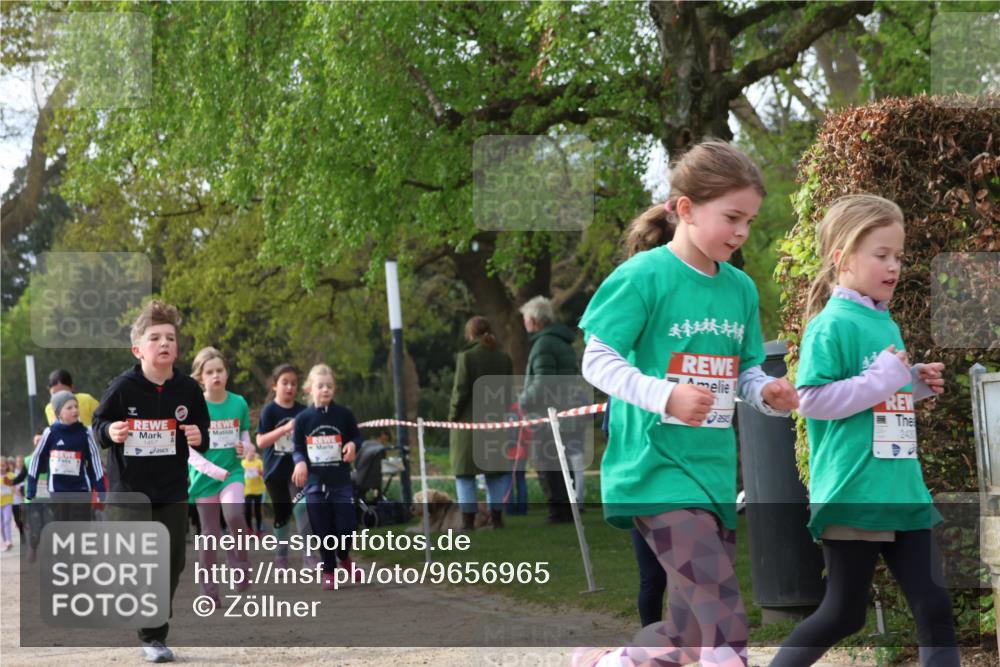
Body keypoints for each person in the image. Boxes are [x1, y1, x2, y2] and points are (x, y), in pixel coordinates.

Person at [574, 139, 799, 667]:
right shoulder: (643, 276)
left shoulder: (740, 289)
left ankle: (612, 662)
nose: (742, 233)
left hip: (713, 474)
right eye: (732, 218)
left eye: (750, 221)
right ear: (685, 208)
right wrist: (665, 396)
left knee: (692, 626)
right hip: (654, 470)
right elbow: (596, 361)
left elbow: (742, 372)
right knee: (724, 620)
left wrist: (766, 393)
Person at [769, 194, 958, 666]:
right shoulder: (830, 325)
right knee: (843, 614)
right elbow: (812, 401)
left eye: (898, 256)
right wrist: (885, 379)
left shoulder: (884, 322)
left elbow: (874, 398)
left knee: (935, 606)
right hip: (855, 489)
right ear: (843, 259)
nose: (894, 265)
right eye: (881, 255)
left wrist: (913, 385)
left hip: (901, 489)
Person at [92, 300, 211, 663]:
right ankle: (152, 636)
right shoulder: (123, 388)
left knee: (171, 564)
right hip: (129, 492)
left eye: (170, 338)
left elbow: (202, 430)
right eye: (155, 338)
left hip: (173, 490)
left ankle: (154, 634)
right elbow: (97, 426)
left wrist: (196, 435)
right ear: (137, 349)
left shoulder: (188, 390)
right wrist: (110, 431)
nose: (164, 344)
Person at [188, 346, 254, 601]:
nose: (216, 375)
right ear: (201, 377)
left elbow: (246, 437)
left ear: (226, 374)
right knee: (210, 534)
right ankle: (209, 592)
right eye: (210, 372)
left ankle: (240, 566)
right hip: (205, 477)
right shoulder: (195, 408)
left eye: (220, 370)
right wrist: (213, 471)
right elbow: (189, 452)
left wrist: (245, 447)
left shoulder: (238, 403)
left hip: (232, 473)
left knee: (235, 514)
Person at [290, 364, 361, 589]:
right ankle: (329, 570)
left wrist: (352, 444)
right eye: (320, 386)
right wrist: (300, 462)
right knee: (323, 529)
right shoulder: (303, 419)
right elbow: (297, 447)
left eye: (329, 386)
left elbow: (357, 437)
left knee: (347, 526)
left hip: (340, 482)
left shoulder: (344, 415)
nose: (325, 390)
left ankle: (344, 557)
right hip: (314, 485)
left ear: (335, 389)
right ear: (310, 388)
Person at [519, 295, 586, 524]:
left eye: (526, 319)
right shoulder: (561, 343)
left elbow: (542, 382)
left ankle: (557, 512)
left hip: (546, 414)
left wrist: (523, 400)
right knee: (562, 462)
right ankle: (568, 510)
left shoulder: (543, 344)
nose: (524, 323)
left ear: (535, 320)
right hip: (565, 411)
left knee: (546, 463)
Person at [448, 316, 515, 530]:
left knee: (465, 474)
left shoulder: (466, 357)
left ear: (470, 334)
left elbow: (461, 392)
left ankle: (468, 522)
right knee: (495, 474)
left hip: (469, 424)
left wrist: (452, 416)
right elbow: (508, 393)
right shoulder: (504, 358)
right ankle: (496, 519)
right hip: (494, 423)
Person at [256, 363, 314, 569]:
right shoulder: (269, 411)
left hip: (296, 470)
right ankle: (281, 557)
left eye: (293, 384)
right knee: (282, 513)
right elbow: (261, 442)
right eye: (285, 383)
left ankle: (310, 556)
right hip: (274, 471)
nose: (289, 387)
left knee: (302, 507)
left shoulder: (303, 410)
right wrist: (286, 429)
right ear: (274, 386)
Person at [27, 391, 106, 523]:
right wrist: (31, 488)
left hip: (81, 489)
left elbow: (95, 461)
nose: (75, 410)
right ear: (59, 413)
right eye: (69, 407)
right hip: (58, 490)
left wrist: (100, 489)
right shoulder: (50, 433)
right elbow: (37, 459)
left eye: (76, 406)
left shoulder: (85, 433)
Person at [242, 446, 265, 536]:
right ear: (245, 453)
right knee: (247, 509)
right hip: (247, 490)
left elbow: (263, 473)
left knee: (257, 511)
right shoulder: (243, 463)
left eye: (254, 452)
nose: (252, 454)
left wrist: (258, 471)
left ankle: (259, 529)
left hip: (258, 490)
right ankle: (249, 528)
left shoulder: (259, 462)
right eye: (251, 452)